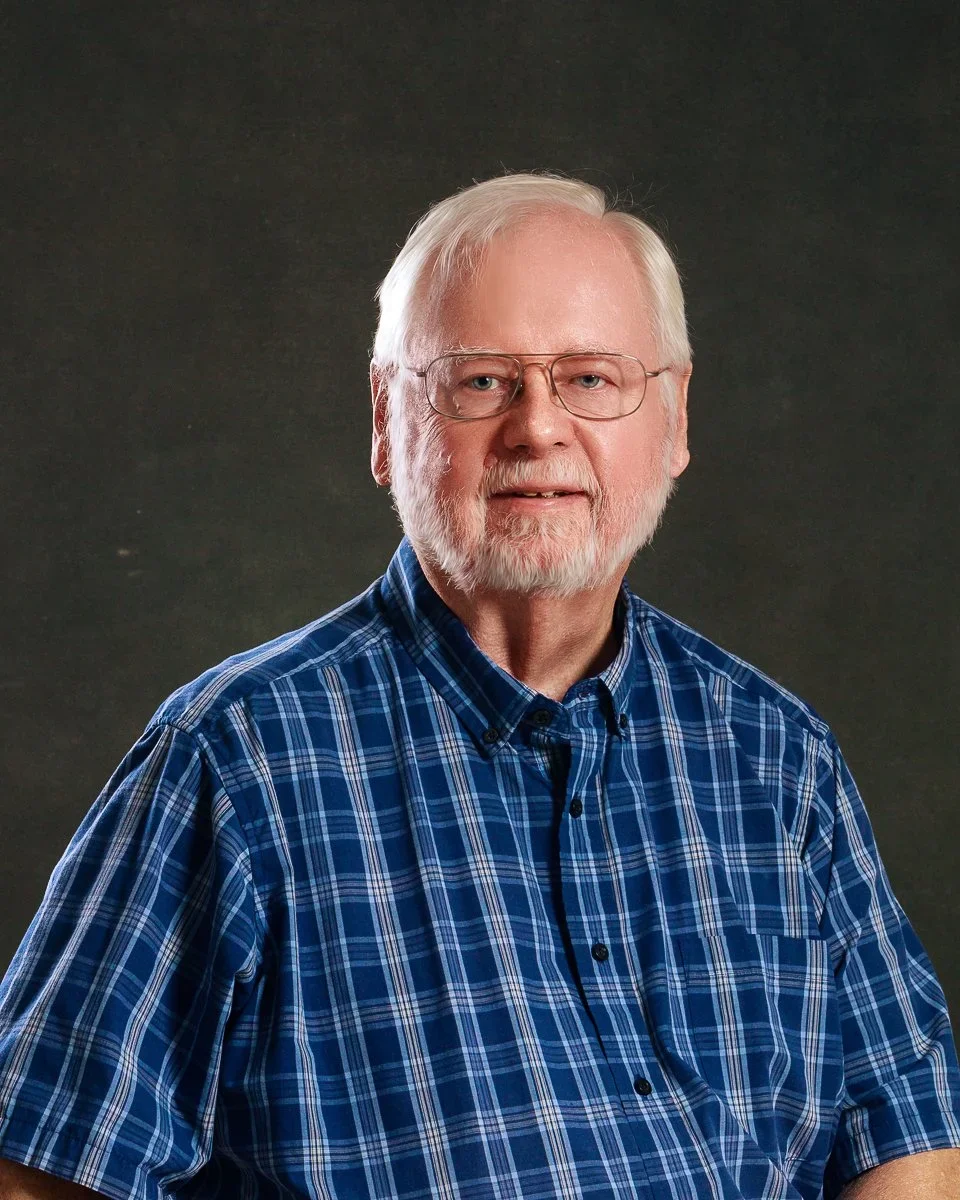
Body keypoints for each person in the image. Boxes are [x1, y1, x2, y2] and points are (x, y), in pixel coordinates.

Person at [0, 173, 958, 1200]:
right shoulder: (236, 764)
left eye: (592, 379)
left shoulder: (779, 758)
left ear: (673, 419)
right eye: (481, 381)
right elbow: (45, 1171)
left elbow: (906, 1135)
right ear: (384, 422)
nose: (538, 428)